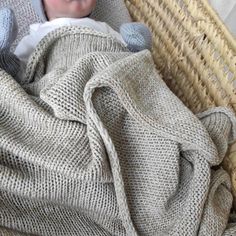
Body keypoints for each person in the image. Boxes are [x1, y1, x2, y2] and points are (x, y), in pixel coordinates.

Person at [0, 0, 152, 79]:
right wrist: (5, 60)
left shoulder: (102, 28)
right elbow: (20, 74)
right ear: (43, 5)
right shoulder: (37, 35)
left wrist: (136, 49)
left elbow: (125, 59)